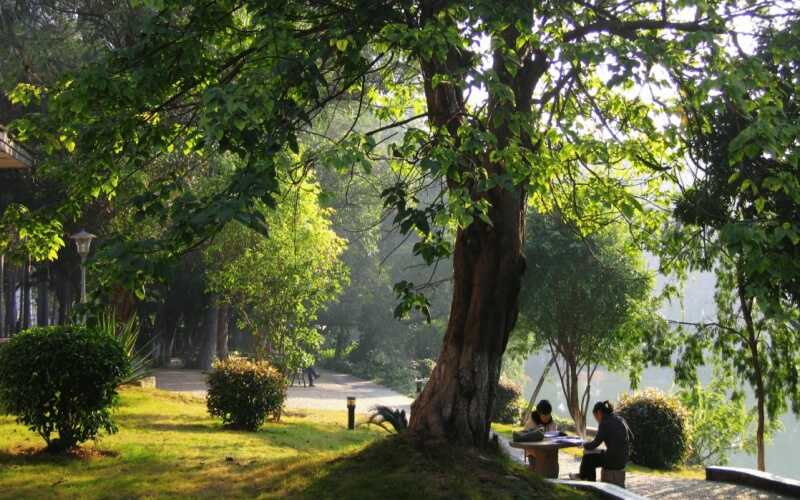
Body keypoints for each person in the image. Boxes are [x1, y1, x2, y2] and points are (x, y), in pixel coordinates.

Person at [569, 400, 632, 482]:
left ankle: (588, 482)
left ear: (598, 413)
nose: (596, 419)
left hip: (613, 461)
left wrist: (583, 444)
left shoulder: (605, 423)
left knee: (588, 459)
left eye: (595, 416)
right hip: (623, 460)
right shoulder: (621, 419)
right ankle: (582, 477)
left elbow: (594, 444)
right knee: (595, 456)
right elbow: (631, 437)